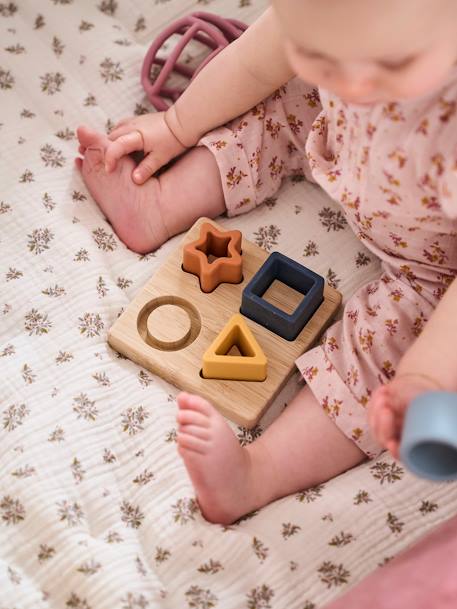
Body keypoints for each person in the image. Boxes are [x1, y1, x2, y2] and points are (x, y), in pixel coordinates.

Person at [75, 0, 457, 524]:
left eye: (388, 68)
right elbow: (255, 63)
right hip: (338, 139)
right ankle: (159, 203)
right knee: (277, 99)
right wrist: (178, 124)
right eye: (318, 52)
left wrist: (427, 379)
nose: (351, 83)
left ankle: (256, 474)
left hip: (434, 263)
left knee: (388, 353)